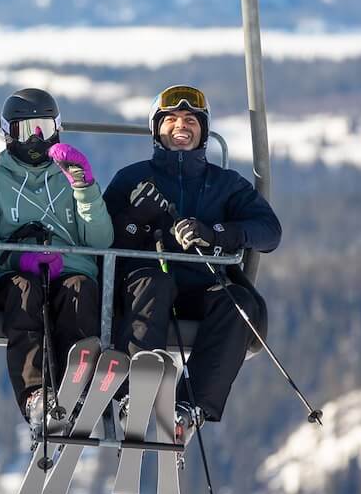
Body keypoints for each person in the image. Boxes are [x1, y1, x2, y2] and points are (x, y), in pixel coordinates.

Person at [103, 84, 281, 448]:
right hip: (147, 288)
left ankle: (190, 405)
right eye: (170, 119)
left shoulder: (225, 185)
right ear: (156, 130)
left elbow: (269, 233)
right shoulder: (131, 178)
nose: (181, 126)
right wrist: (138, 217)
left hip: (202, 287)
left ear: (203, 130)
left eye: (190, 120)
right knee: (155, 284)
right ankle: (130, 392)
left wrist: (217, 234)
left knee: (239, 305)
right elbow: (102, 239)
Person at [0, 88, 113, 430]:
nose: (35, 139)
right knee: (25, 293)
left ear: (57, 129)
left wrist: (85, 189)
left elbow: (100, 240)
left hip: (69, 268)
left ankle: (76, 383)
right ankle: (36, 394)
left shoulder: (70, 180)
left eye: (43, 129)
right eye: (24, 130)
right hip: (15, 275)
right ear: (7, 135)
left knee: (78, 290)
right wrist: (15, 259)